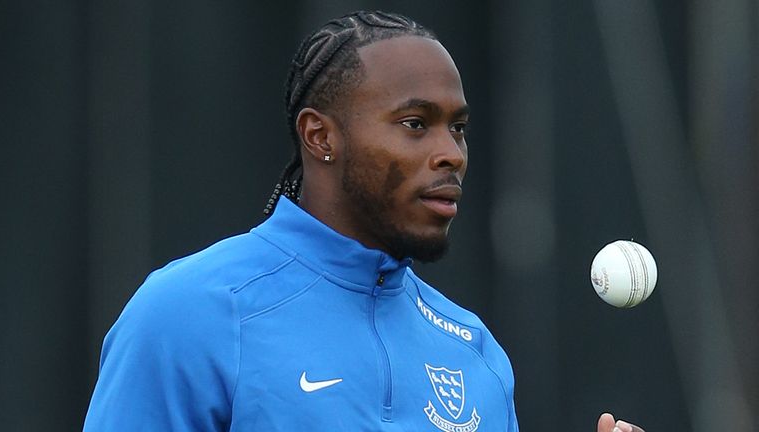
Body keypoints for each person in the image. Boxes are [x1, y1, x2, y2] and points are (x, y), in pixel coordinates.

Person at [84, 11, 643, 432]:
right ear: (320, 136)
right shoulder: (189, 312)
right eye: (415, 123)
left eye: (458, 129)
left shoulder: (474, 351)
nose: (451, 154)